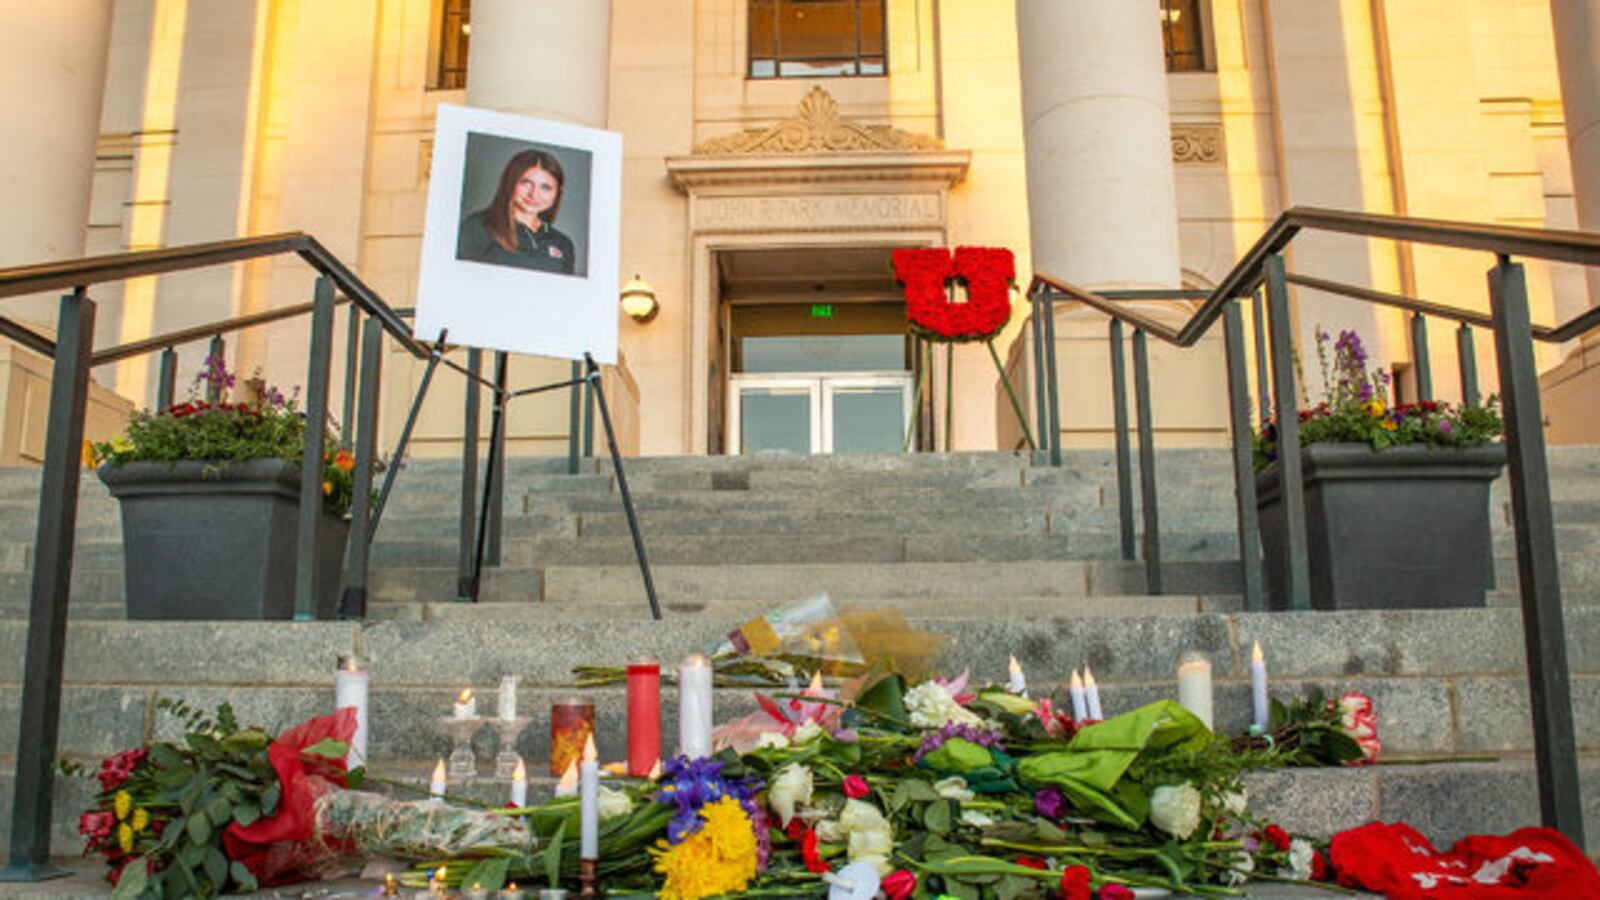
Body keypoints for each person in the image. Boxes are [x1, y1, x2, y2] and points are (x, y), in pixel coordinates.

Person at [457, 148, 577, 274]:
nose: (534, 194)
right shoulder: (477, 227)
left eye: (546, 187)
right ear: (510, 182)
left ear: (558, 192)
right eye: (526, 183)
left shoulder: (563, 244)